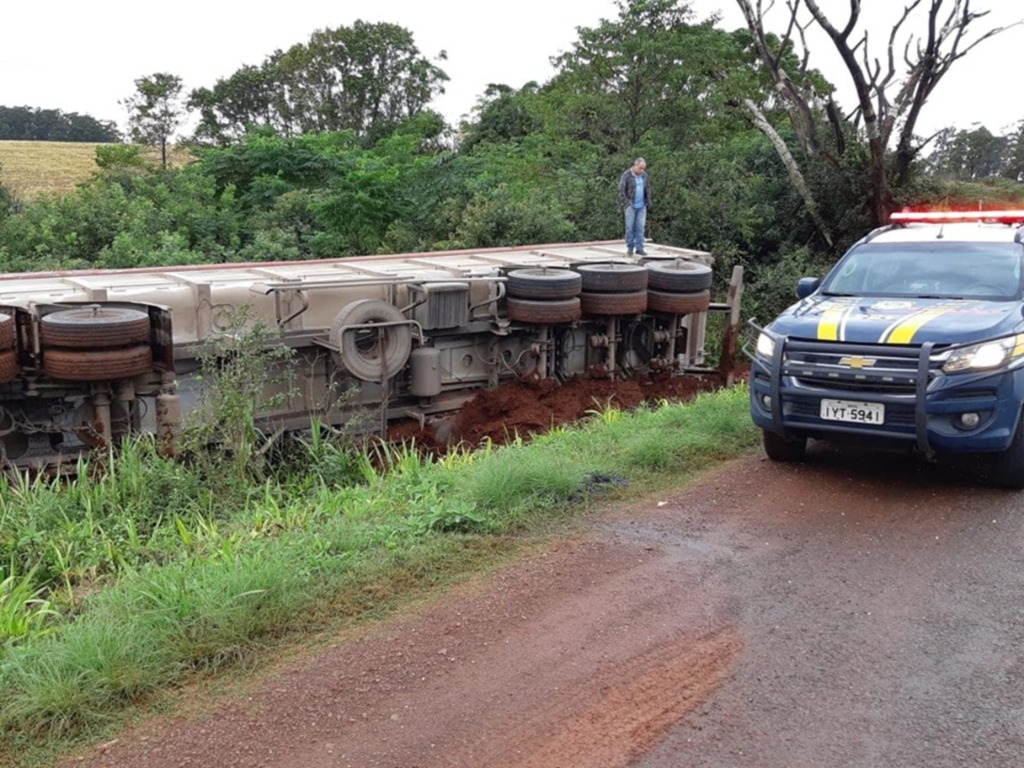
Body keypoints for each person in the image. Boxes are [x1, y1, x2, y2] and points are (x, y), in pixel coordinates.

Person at [618, 157, 650, 256]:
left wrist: (648, 201)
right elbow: (621, 190)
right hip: (631, 205)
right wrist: (626, 203)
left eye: (643, 168)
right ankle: (630, 248)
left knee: (640, 227)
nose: (642, 170)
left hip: (642, 205)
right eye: (640, 168)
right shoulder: (626, 175)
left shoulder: (644, 175)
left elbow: (648, 188)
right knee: (629, 227)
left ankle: (640, 248)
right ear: (635, 165)